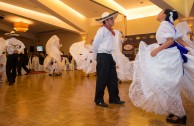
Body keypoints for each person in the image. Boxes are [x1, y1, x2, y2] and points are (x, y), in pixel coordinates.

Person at [129, 9, 194, 124]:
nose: (158, 14)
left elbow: (169, 41)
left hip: (168, 56)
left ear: (164, 15)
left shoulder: (165, 25)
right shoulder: (170, 26)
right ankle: (175, 111)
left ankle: (180, 115)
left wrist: (156, 51)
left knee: (165, 83)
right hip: (171, 56)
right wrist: (190, 49)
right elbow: (180, 41)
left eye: (160, 12)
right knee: (168, 84)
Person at [93, 11, 125, 107]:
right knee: (102, 79)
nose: (113, 20)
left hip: (110, 56)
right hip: (102, 55)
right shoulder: (101, 30)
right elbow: (95, 44)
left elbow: (114, 43)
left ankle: (114, 98)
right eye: (111, 19)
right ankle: (98, 99)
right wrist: (96, 56)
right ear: (106, 21)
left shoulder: (111, 32)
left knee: (113, 78)